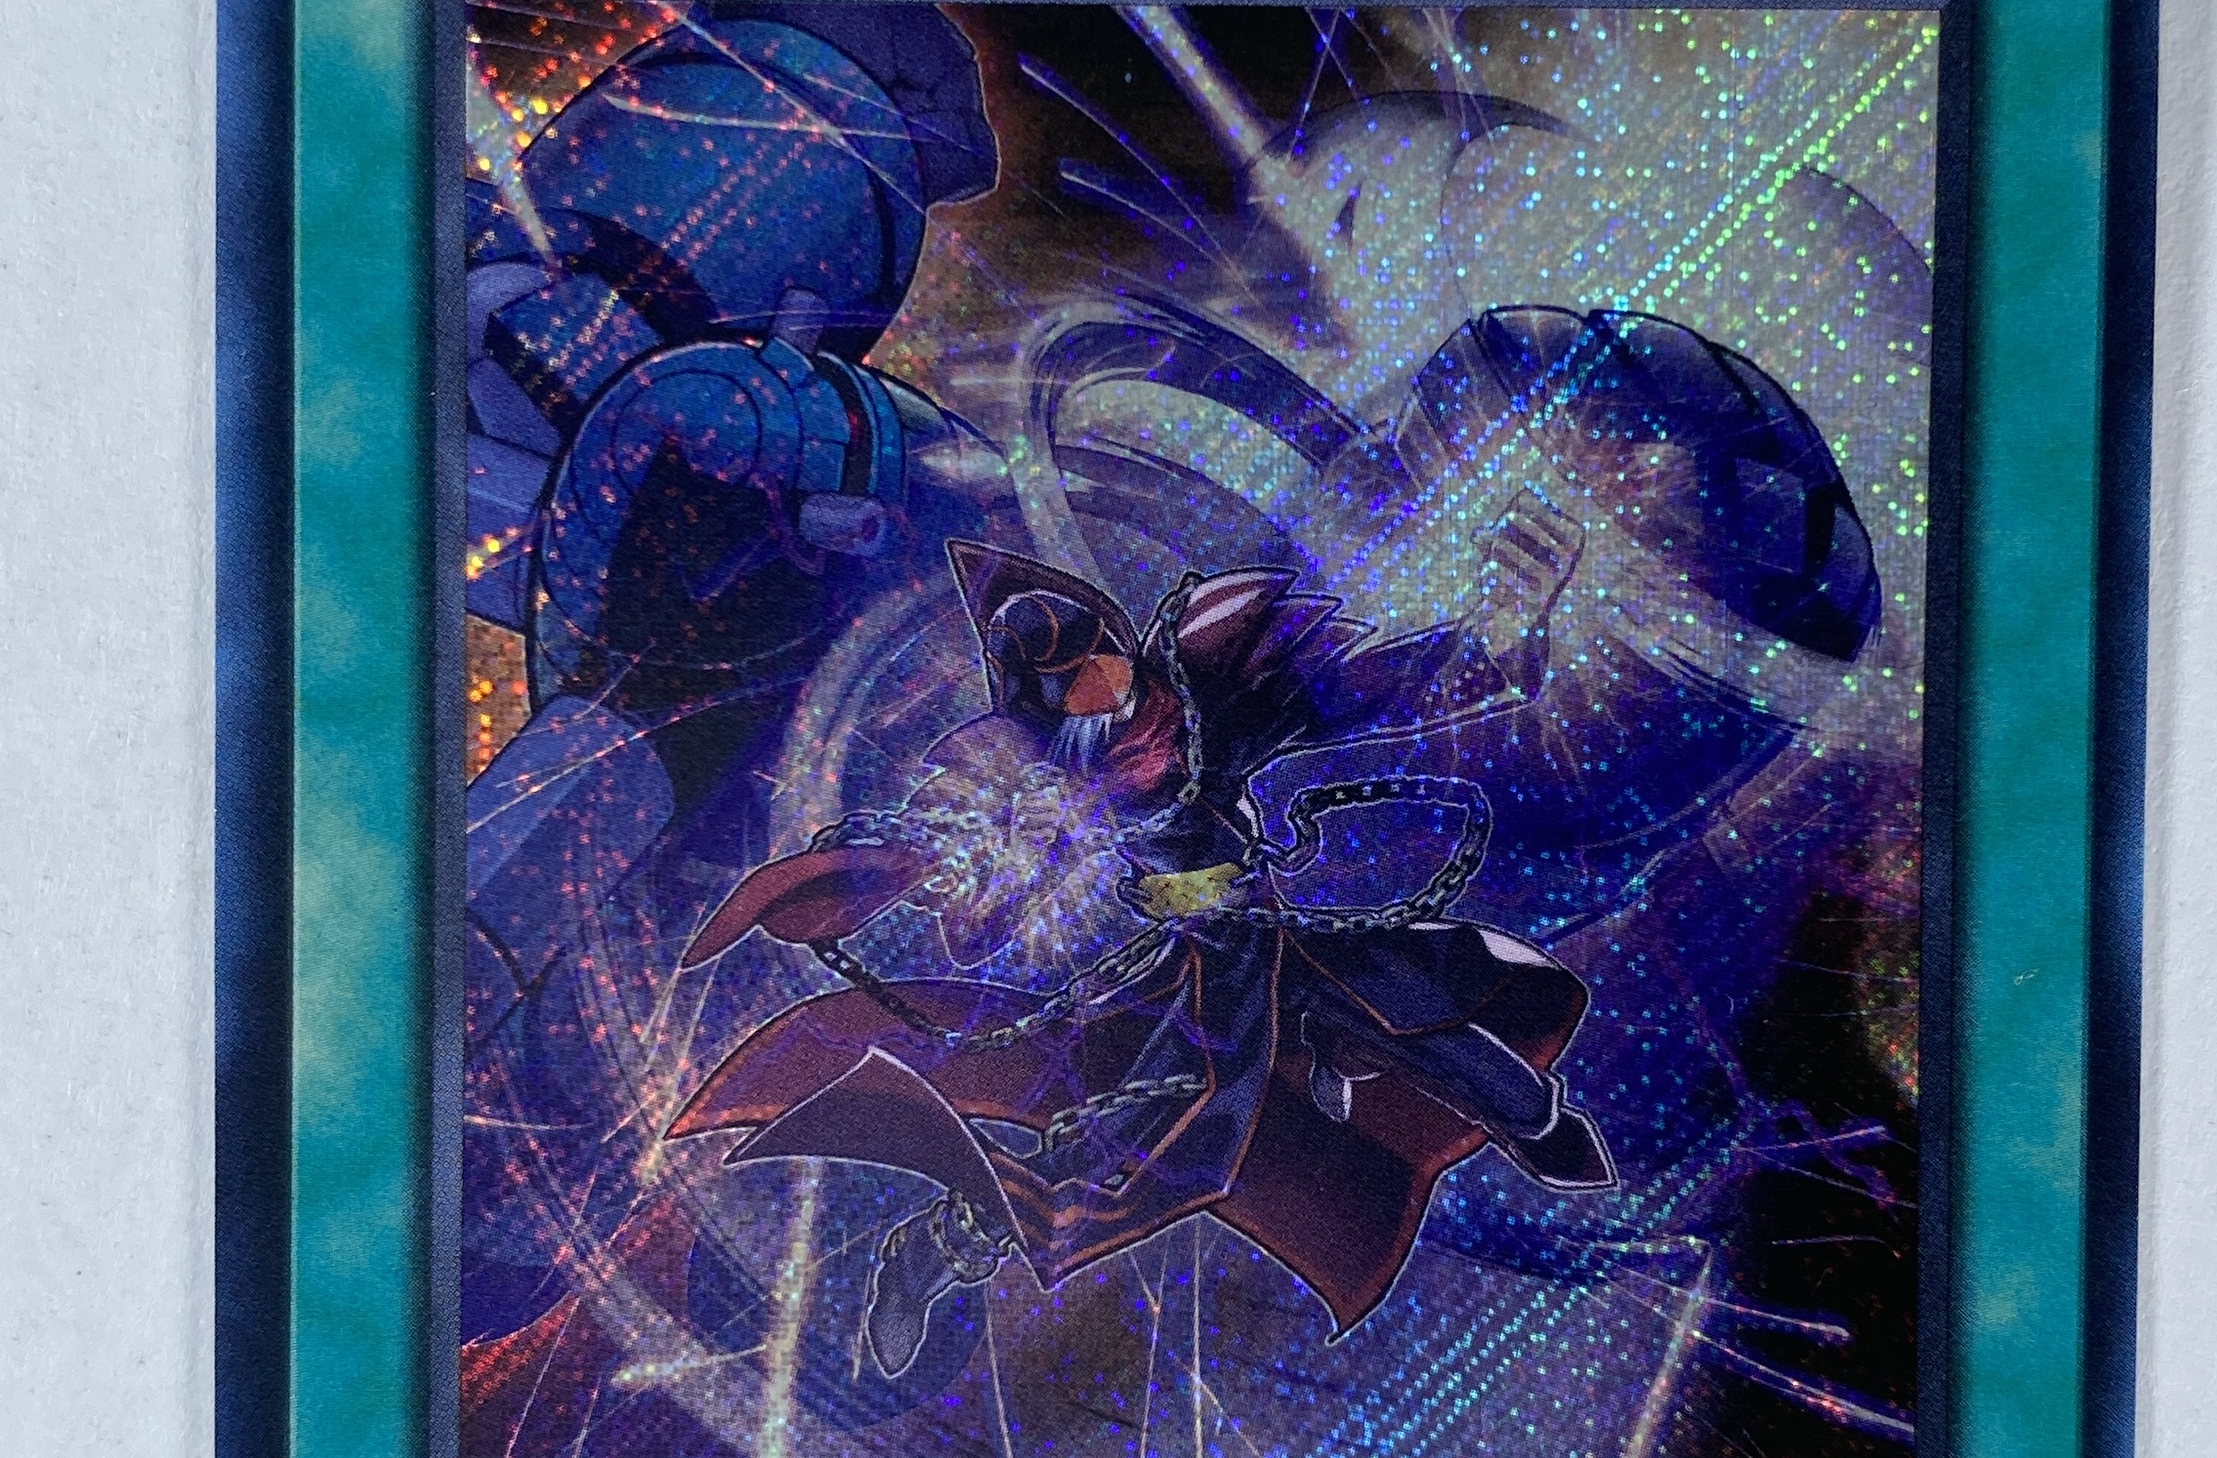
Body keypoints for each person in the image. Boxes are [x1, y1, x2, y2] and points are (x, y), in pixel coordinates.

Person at [670, 542, 1615, 1376]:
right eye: (1067, 679)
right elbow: (961, 851)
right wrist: (872, 870)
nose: (1099, 685)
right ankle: (937, 1248)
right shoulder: (1033, 765)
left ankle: (1534, 1120)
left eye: (1099, 656)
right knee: (1162, 1128)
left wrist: (1501, 630)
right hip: (1201, 963)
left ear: (1118, 637)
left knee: (1409, 1001)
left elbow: (1372, 686)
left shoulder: (1209, 682)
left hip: (1267, 927)